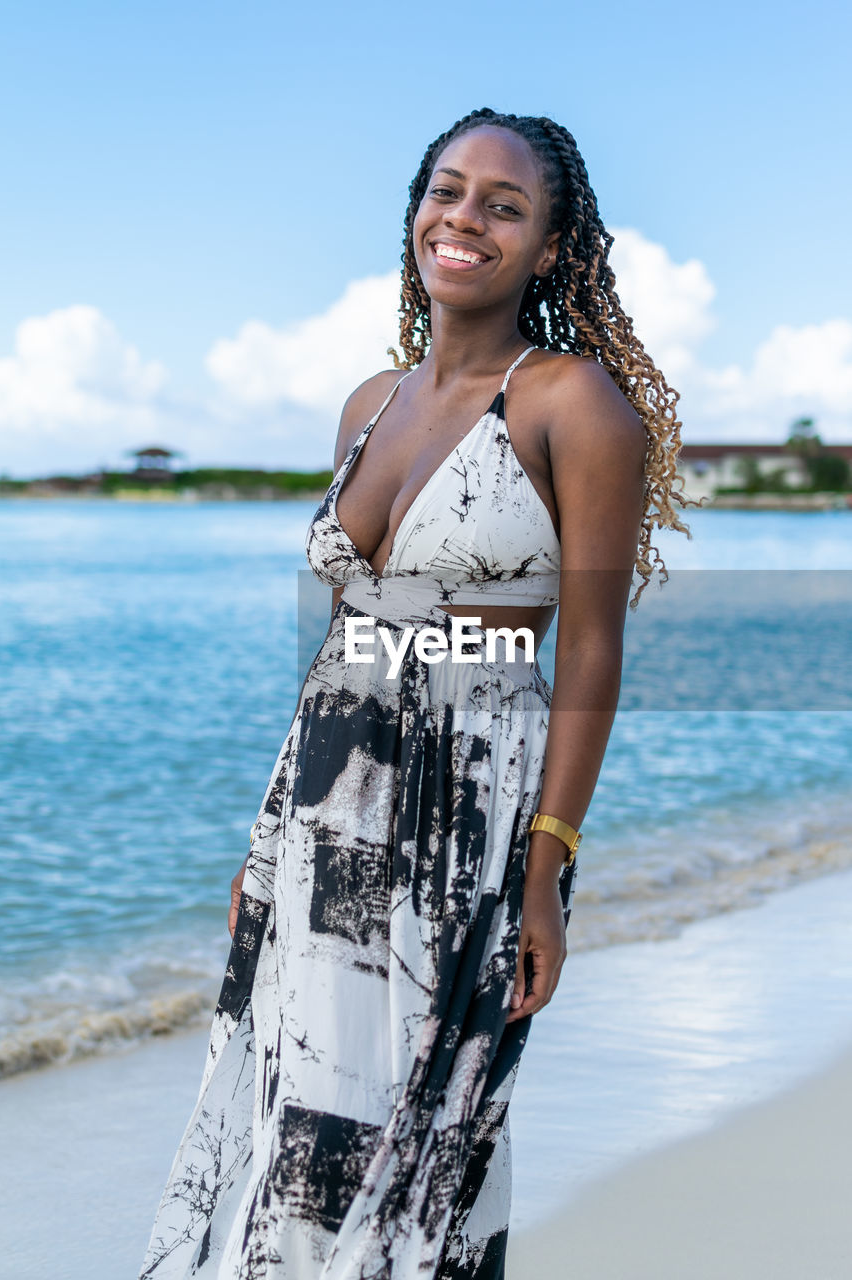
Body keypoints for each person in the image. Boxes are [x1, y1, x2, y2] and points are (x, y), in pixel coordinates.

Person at [138, 106, 692, 1280]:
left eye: (505, 205)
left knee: (424, 1148)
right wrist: (266, 836)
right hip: (325, 799)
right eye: (448, 191)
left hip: (467, 810)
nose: (465, 219)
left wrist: (546, 866)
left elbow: (589, 650)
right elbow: (343, 639)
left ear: (549, 246)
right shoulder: (369, 402)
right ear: (415, 211)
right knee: (300, 1131)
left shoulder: (571, 403)